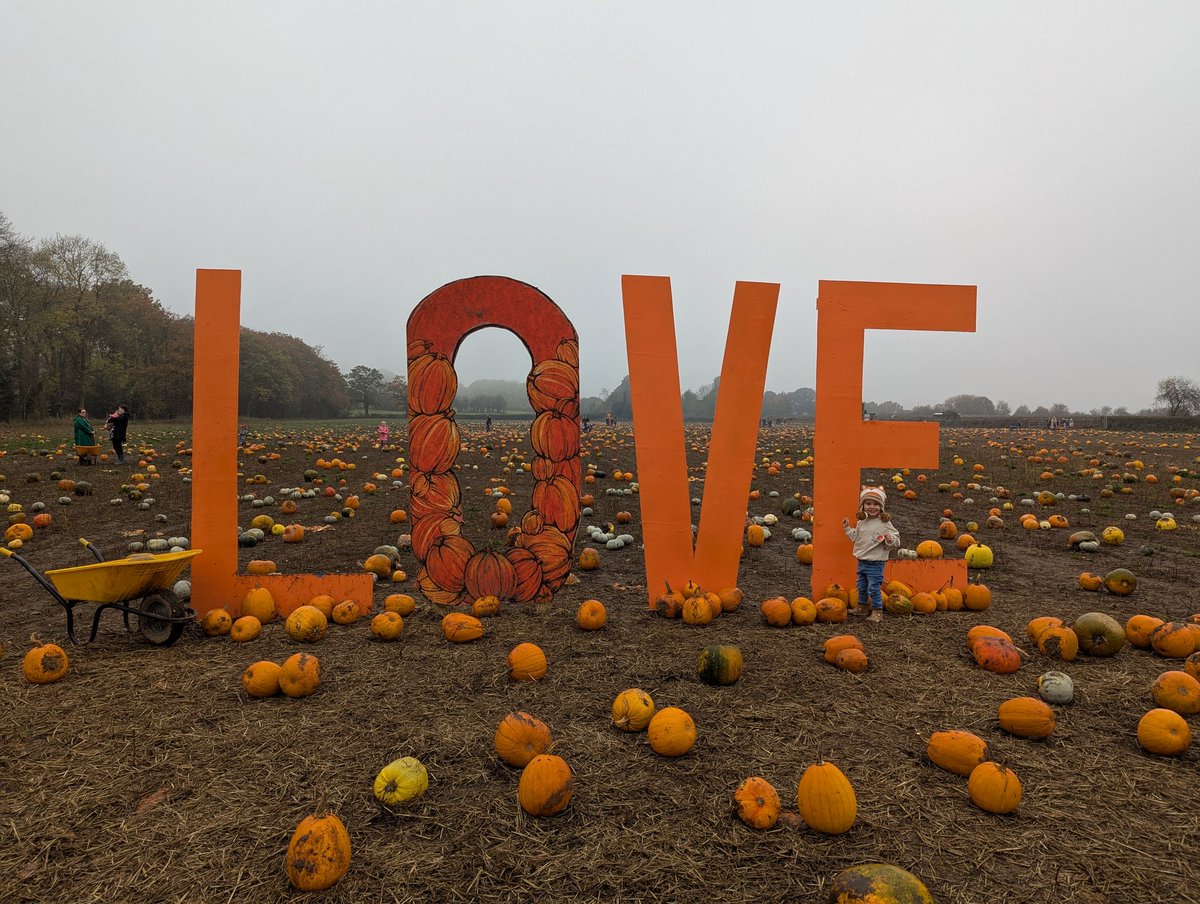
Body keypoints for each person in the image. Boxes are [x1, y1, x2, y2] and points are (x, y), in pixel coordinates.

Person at [842, 486, 901, 623]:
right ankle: (862, 607)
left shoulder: (884, 523)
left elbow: (896, 540)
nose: (872, 507)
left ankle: (877, 611)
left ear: (881, 507)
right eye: (868, 504)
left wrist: (890, 539)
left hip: (876, 562)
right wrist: (846, 528)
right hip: (862, 561)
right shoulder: (862, 522)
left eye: (876, 504)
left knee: (873, 588)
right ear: (863, 506)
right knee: (861, 586)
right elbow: (855, 537)